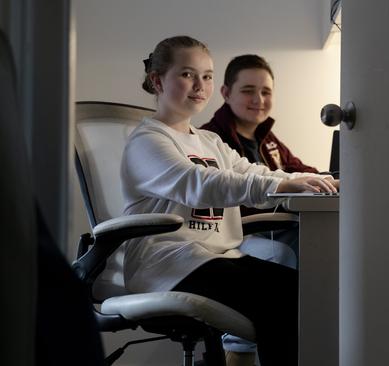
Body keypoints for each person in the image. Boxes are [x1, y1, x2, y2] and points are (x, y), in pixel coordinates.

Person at [117, 36, 338, 366]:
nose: (200, 85)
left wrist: (306, 181)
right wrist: (283, 184)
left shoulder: (208, 140)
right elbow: (199, 184)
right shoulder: (147, 141)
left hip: (214, 254)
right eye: (188, 74)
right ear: (157, 80)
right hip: (167, 262)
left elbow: (250, 171)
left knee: (304, 291)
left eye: (207, 76)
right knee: (282, 300)